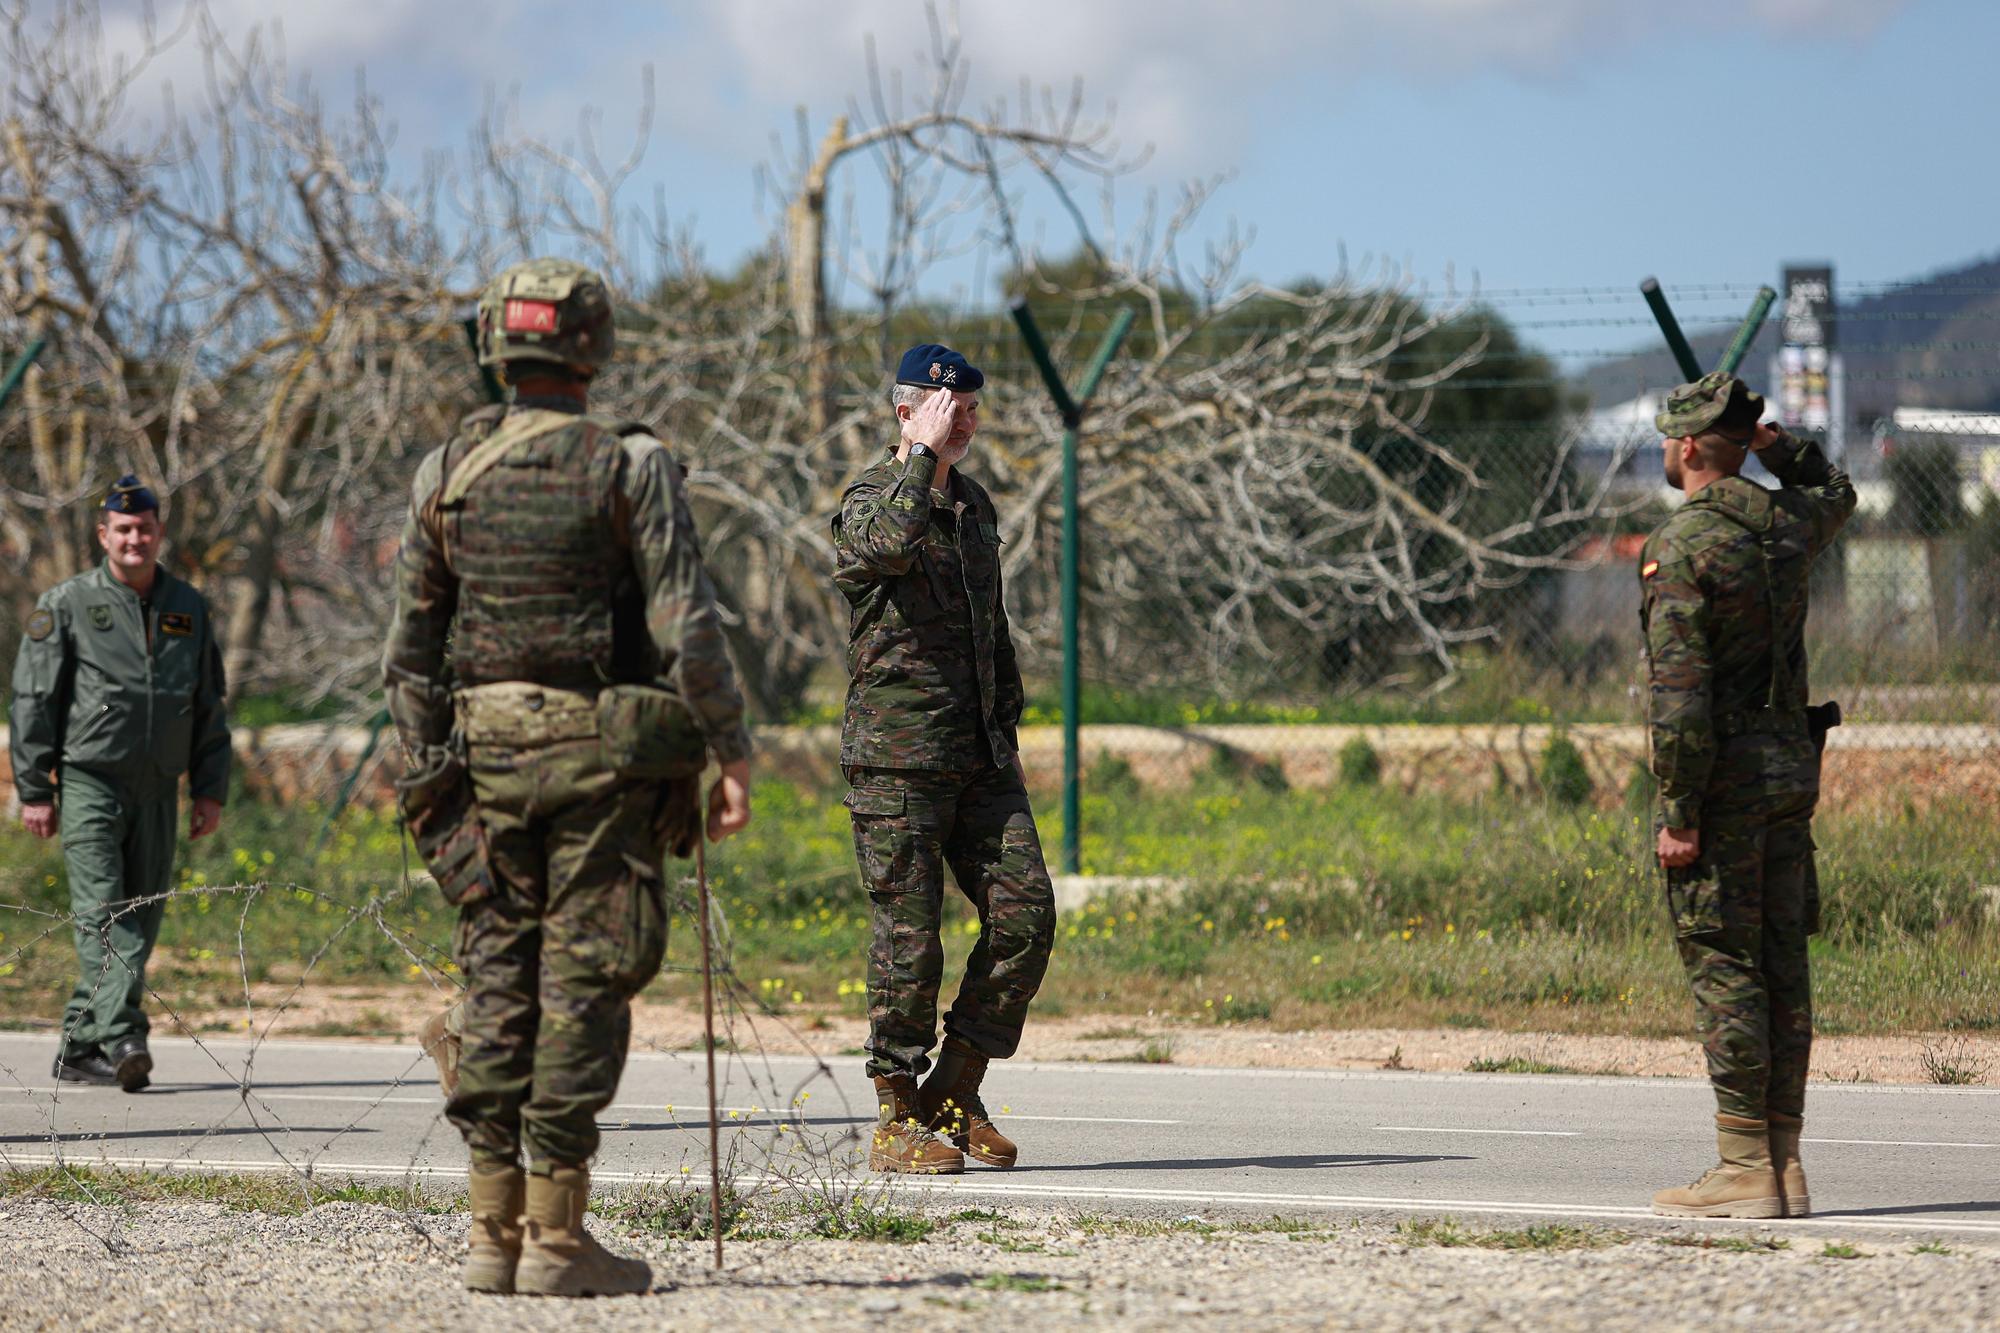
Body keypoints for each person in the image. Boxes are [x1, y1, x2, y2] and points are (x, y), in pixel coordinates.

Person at [383, 257, 753, 1297]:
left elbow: (408, 658)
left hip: (479, 760)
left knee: (496, 979)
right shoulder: (625, 466)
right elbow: (686, 623)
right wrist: (729, 750)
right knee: (584, 981)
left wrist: (429, 782)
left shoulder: (444, 472)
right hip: (597, 761)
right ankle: (556, 1238)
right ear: (591, 346)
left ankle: (489, 1236)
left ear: (499, 345)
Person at [832, 342, 1056, 1175]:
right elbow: (884, 547)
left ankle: (955, 1095)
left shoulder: (975, 505)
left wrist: (1006, 719)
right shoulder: (869, 498)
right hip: (897, 761)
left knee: (1027, 915)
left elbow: (988, 623)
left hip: (978, 755)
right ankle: (896, 1112)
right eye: (945, 406)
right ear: (905, 412)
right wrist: (919, 459)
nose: (964, 419)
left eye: (970, 408)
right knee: (909, 937)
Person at [1640, 372, 1855, 1219]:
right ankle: (1785, 1163)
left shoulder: (1684, 544)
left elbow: (1680, 697)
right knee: (1780, 960)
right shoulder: (1787, 526)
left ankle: (1740, 1167)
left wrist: (1678, 811)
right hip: (1789, 769)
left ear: (1690, 447)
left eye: (1670, 435)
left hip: (1723, 777)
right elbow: (1835, 489)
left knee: (1725, 963)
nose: (1665, 447)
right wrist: (1778, 447)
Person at [10, 476, 230, 1093]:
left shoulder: (188, 606)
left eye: (145, 528)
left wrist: (210, 788)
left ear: (159, 533)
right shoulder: (67, 604)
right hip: (90, 782)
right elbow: (33, 702)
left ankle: (80, 1048)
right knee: (106, 915)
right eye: (123, 529)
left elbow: (209, 703)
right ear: (103, 535)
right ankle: (124, 1033)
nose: (135, 538)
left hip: (160, 788)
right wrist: (35, 788)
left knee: (144, 915)